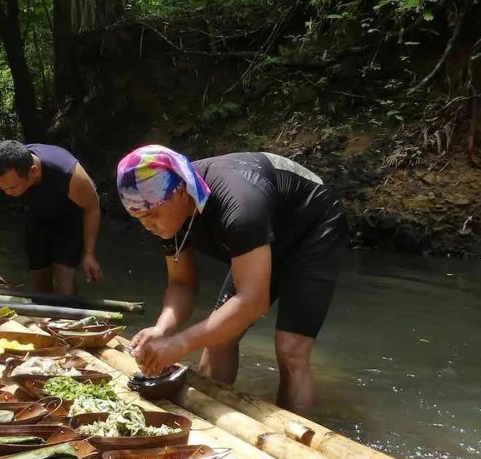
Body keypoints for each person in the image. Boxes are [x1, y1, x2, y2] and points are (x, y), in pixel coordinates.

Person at [118, 145, 348, 410]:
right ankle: (209, 416)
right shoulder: (168, 215)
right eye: (138, 218)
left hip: (312, 227)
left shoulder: (238, 207)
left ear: (180, 191)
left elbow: (253, 302)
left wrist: (180, 343)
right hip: (260, 235)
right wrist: (162, 330)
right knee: (220, 338)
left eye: (152, 215)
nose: (148, 225)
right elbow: (182, 284)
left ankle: (298, 440)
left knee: (291, 350)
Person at [0, 140, 103, 294]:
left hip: (70, 212)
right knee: (39, 276)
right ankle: (45, 320)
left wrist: (89, 253)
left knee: (64, 275)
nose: (6, 192)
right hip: (38, 213)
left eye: (12, 188)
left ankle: (69, 316)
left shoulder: (68, 174)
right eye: (2, 188)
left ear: (33, 172)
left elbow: (92, 206)